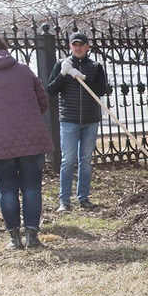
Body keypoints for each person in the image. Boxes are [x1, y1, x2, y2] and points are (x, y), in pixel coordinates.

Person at [0, 35, 53, 250]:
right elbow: (43, 101)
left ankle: (14, 239)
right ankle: (32, 237)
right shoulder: (23, 69)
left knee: (7, 189)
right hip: (32, 138)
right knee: (31, 187)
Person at [46, 32, 111, 212]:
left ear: (87, 46)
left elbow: (102, 89)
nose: (78, 48)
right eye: (74, 45)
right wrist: (63, 73)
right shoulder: (61, 64)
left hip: (90, 120)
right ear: (70, 47)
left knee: (86, 160)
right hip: (69, 120)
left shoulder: (95, 66)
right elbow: (51, 90)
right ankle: (64, 201)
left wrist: (83, 78)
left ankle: (83, 198)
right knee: (67, 161)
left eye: (81, 45)